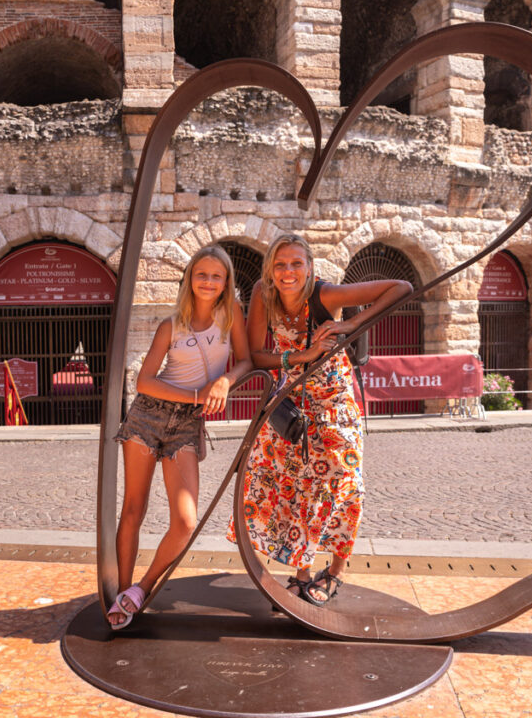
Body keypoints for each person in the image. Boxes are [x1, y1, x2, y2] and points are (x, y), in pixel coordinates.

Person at [230, 234, 411, 605]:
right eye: (280, 265)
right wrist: (301, 356)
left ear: (310, 267)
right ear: (270, 270)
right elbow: (255, 353)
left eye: (297, 263)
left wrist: (350, 324)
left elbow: (401, 286)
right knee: (297, 486)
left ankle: (336, 572)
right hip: (290, 403)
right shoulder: (264, 295)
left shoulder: (325, 295)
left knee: (344, 482)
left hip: (334, 400)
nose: (288, 272)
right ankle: (301, 572)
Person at [108, 244, 252, 628]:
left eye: (216, 276)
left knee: (186, 522)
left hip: (188, 425)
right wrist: (194, 395)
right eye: (201, 274)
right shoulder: (171, 325)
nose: (208, 282)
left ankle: (142, 588)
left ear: (225, 283)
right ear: (190, 278)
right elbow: (144, 381)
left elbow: (247, 359)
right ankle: (123, 593)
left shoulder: (231, 315)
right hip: (148, 417)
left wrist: (224, 380)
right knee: (133, 509)